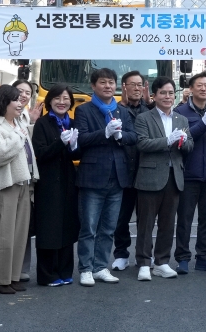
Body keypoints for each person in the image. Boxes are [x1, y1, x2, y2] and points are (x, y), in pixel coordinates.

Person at [74, 68, 138, 287]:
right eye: (103, 82)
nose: (108, 86)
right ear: (94, 86)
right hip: (93, 176)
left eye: (111, 82)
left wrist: (120, 135)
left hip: (117, 176)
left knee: (109, 228)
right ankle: (86, 268)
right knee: (89, 227)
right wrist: (105, 133)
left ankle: (101, 267)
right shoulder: (84, 110)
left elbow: (133, 136)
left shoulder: (122, 111)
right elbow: (81, 139)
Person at [0, 85, 40, 294]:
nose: (20, 102)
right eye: (15, 99)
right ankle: (0, 279)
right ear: (3, 102)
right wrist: (18, 136)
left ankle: (13, 276)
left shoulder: (18, 123)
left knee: (19, 234)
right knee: (3, 234)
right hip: (2, 185)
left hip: (22, 182)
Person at [134, 77, 194, 280]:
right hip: (150, 175)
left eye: (170, 93)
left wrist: (183, 141)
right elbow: (142, 143)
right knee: (146, 223)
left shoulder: (181, 119)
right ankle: (144, 262)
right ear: (154, 95)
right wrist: (167, 140)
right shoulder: (144, 118)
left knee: (168, 223)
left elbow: (190, 146)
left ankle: (161, 262)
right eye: (163, 93)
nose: (167, 97)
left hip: (174, 175)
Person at [173, 72, 206, 274]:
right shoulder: (180, 111)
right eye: (199, 85)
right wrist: (202, 124)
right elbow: (182, 140)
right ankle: (182, 258)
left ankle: (204, 257)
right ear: (191, 88)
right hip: (188, 173)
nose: (204, 89)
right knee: (184, 219)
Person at [31, 84, 81, 287]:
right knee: (49, 227)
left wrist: (74, 146)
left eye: (66, 99)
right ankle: (47, 274)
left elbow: (77, 154)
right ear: (49, 101)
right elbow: (41, 153)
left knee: (67, 225)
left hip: (68, 180)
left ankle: (65, 270)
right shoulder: (42, 124)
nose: (62, 102)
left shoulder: (73, 123)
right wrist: (60, 142)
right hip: (48, 182)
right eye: (57, 98)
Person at [111, 71, 150, 272]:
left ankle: (145, 255)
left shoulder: (150, 110)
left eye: (139, 84)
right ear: (123, 87)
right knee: (121, 217)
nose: (136, 88)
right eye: (132, 84)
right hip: (123, 170)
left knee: (146, 218)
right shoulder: (115, 110)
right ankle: (121, 254)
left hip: (145, 171)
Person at [12, 80, 42, 281]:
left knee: (25, 225)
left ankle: (22, 268)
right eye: (20, 91)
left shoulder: (24, 116)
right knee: (10, 227)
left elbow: (28, 143)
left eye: (27, 93)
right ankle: (9, 270)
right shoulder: (2, 115)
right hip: (12, 179)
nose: (23, 95)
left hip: (28, 178)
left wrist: (31, 122)